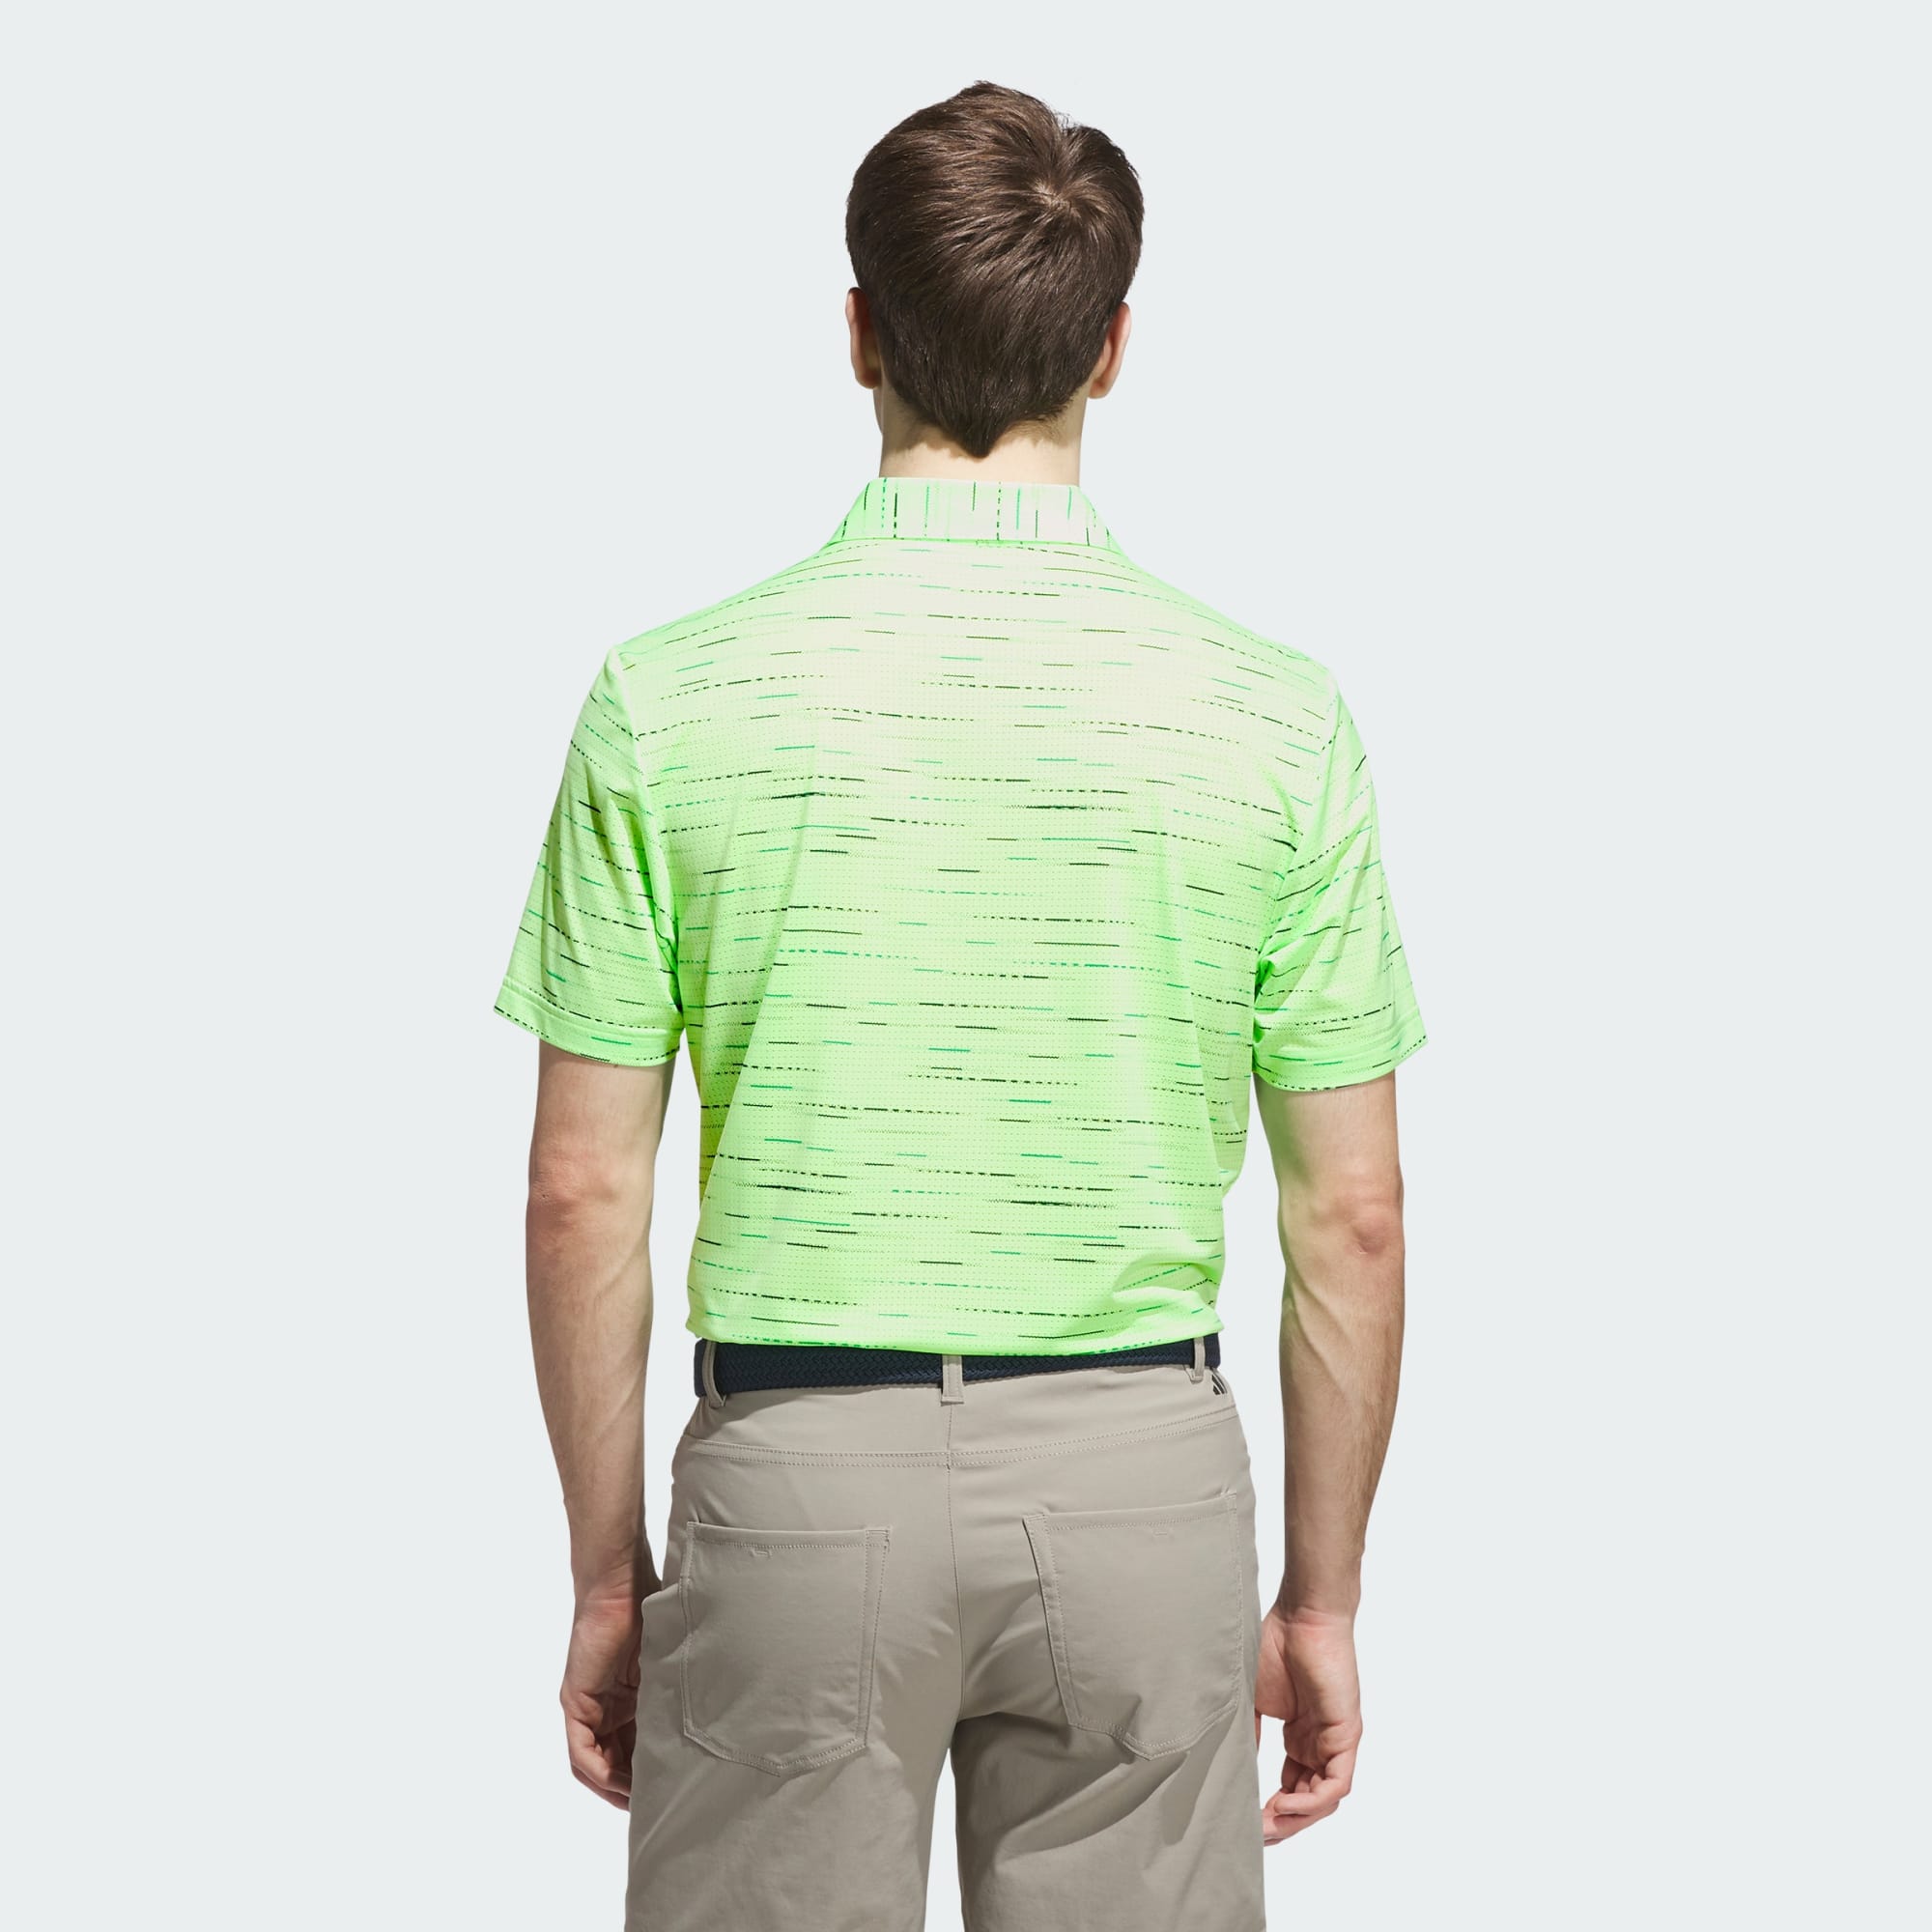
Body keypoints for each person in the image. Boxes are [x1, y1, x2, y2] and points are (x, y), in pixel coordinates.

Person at [495, 79, 1425, 1932]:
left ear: (859, 333)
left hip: (793, 1486)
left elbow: (581, 1192)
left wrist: (609, 1576)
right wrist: (1319, 1599)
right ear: (1113, 348)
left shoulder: (672, 702)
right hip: (1141, 1486)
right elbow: (1355, 1218)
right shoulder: (1272, 717)